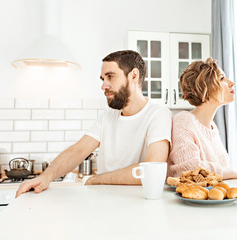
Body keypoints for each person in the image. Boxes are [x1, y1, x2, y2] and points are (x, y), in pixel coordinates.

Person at [16, 50, 172, 197]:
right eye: (103, 79)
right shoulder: (109, 116)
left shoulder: (158, 114)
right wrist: (46, 177)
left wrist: (97, 179)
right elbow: (78, 150)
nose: (103, 86)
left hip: (137, 205)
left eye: (110, 76)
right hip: (103, 202)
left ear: (133, 75)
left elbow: (151, 170)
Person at [168, 58, 237, 179]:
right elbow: (188, 170)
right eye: (222, 78)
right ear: (205, 86)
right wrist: (229, 173)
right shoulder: (183, 122)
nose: (231, 83)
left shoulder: (212, 127)